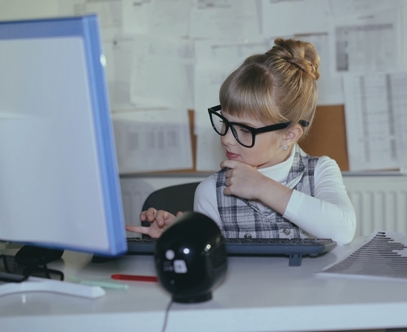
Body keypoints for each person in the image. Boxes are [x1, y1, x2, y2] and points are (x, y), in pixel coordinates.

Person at [126, 38, 356, 245]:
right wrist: (179, 238)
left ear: (289, 135)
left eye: (245, 130)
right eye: (225, 122)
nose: (226, 139)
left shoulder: (320, 172)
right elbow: (211, 262)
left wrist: (261, 186)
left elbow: (343, 231)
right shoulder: (210, 192)